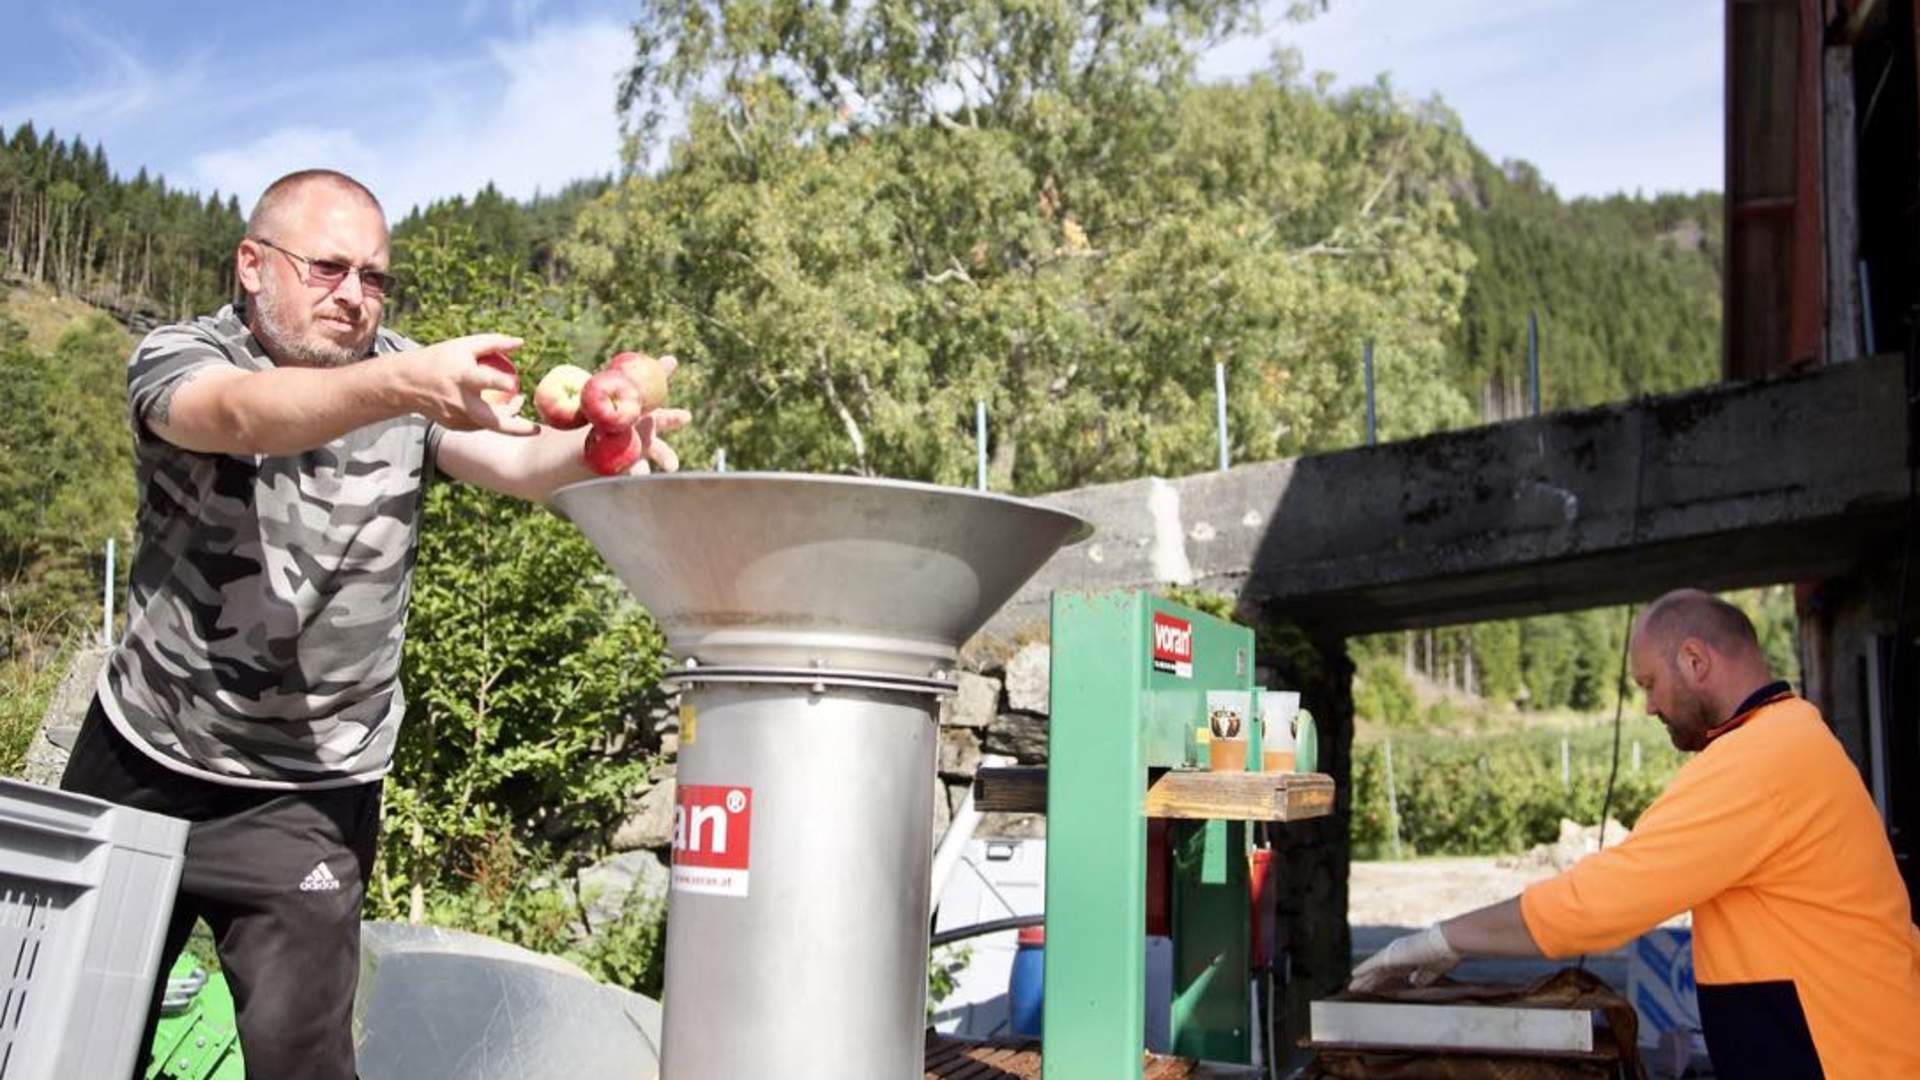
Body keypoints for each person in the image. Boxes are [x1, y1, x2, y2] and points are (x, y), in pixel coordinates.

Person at [57, 168, 691, 1079]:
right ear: (251, 264)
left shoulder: (407, 384)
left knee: (303, 1062)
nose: (355, 296)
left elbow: (520, 463)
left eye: (375, 276)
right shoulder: (181, 356)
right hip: (145, 760)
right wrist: (403, 383)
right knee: (70, 1039)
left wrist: (605, 443)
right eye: (327, 268)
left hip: (308, 792)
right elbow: (240, 417)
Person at [1349, 589, 1920, 1077]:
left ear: (1695, 660)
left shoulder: (1760, 762)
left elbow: (1599, 902)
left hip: (1841, 1056)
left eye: (1649, 683)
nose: (1647, 706)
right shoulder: (1788, 737)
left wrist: (1443, 939)